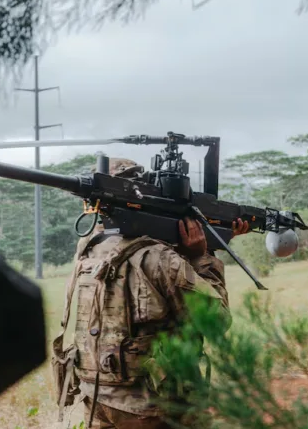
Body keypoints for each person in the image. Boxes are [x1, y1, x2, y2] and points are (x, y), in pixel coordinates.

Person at [53, 158, 249, 429]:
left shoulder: (87, 248)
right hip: (153, 406)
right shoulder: (160, 259)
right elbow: (216, 322)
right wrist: (202, 255)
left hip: (95, 396)